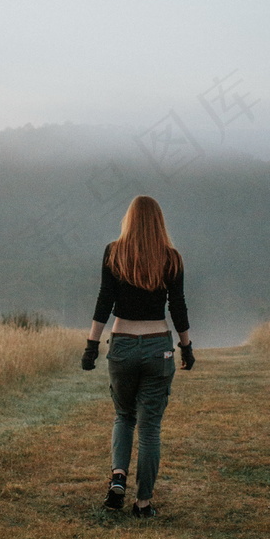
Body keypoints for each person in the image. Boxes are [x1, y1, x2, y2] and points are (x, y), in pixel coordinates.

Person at [81, 195, 195, 517]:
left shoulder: (114, 253)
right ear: (159, 221)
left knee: (124, 416)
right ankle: (143, 504)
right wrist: (186, 347)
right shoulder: (171, 258)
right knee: (150, 428)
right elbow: (178, 307)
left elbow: (105, 300)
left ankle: (118, 476)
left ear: (129, 219)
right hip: (158, 344)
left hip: (123, 343)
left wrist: (92, 344)